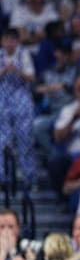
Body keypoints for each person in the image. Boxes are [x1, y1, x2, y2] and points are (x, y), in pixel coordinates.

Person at [0, 28, 36, 188]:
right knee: (2, 140)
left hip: (21, 97)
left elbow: (32, 78)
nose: (8, 43)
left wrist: (17, 70)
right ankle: (2, 177)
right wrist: (3, 71)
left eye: (12, 40)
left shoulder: (24, 54)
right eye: (6, 40)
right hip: (2, 98)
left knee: (25, 139)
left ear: (17, 41)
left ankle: (30, 178)